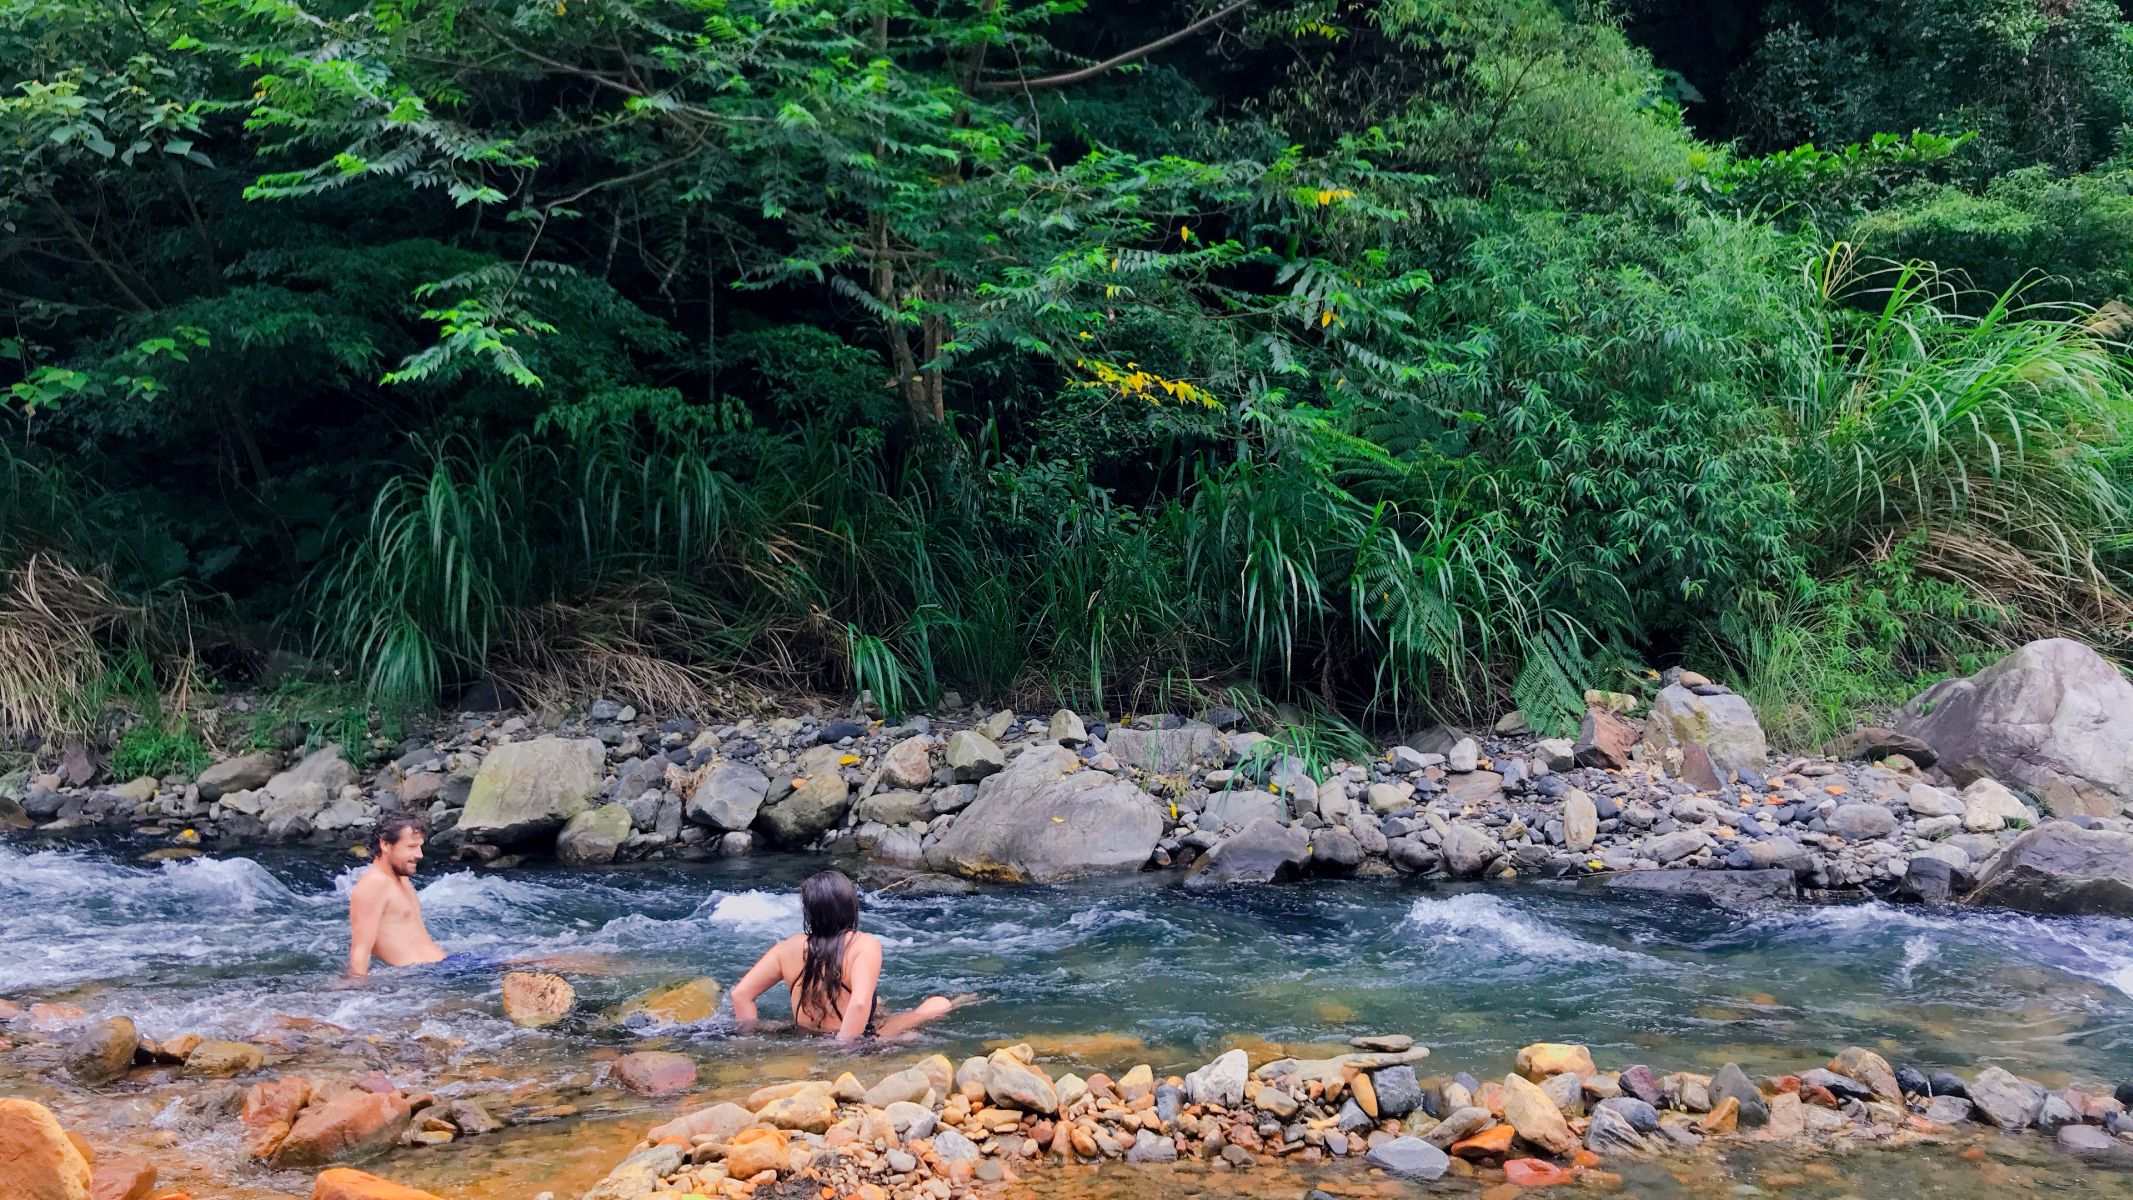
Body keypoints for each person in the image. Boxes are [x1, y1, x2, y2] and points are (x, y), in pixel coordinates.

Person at [729, 869, 962, 1043]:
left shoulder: (787, 948)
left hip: (803, 1036)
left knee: (877, 1003)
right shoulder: (864, 944)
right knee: (937, 1004)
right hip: (850, 1041)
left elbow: (741, 994)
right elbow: (859, 1002)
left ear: (809, 913)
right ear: (850, 906)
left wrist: (748, 1037)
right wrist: (843, 1048)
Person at [346, 812, 449, 976]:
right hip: (421, 976)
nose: (420, 855)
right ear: (385, 845)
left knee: (505, 962)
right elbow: (360, 950)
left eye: (420, 846)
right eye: (411, 847)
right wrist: (356, 990)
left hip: (443, 967)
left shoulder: (401, 878)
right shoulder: (374, 884)